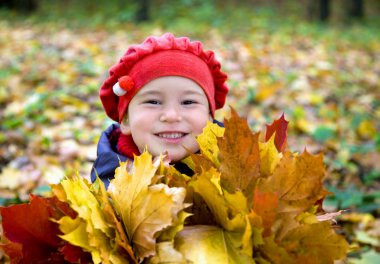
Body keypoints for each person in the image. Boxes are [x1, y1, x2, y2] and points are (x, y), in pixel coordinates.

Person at [91, 33, 229, 188]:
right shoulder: (110, 182)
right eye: (153, 102)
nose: (171, 116)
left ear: (209, 118)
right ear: (125, 120)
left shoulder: (233, 170)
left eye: (188, 102)